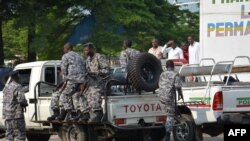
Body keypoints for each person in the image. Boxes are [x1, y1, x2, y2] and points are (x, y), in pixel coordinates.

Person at [74, 42, 110, 122]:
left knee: (93, 93)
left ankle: (98, 113)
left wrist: (96, 72)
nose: (85, 52)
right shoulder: (87, 60)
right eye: (84, 51)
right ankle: (85, 113)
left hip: (102, 83)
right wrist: (83, 87)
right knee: (78, 95)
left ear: (92, 49)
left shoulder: (99, 57)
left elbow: (107, 70)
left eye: (87, 50)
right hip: (91, 83)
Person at [57, 42, 87, 121]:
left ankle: (71, 113)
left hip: (72, 80)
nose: (63, 50)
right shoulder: (80, 56)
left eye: (64, 49)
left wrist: (64, 78)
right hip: (82, 80)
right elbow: (85, 66)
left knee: (64, 95)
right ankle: (80, 112)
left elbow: (63, 70)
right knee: (76, 95)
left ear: (66, 49)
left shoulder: (65, 56)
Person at [158, 60, 182, 141]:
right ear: (173, 66)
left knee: (167, 113)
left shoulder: (162, 74)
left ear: (166, 66)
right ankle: (167, 136)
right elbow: (178, 86)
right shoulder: (175, 74)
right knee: (170, 116)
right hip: (169, 97)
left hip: (161, 97)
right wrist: (180, 94)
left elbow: (159, 84)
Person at [2, 71, 28, 141]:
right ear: (16, 76)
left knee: (9, 134)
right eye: (18, 75)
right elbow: (21, 100)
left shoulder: (6, 87)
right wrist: (25, 103)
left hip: (7, 115)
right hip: (16, 115)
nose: (19, 76)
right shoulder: (17, 86)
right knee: (20, 135)